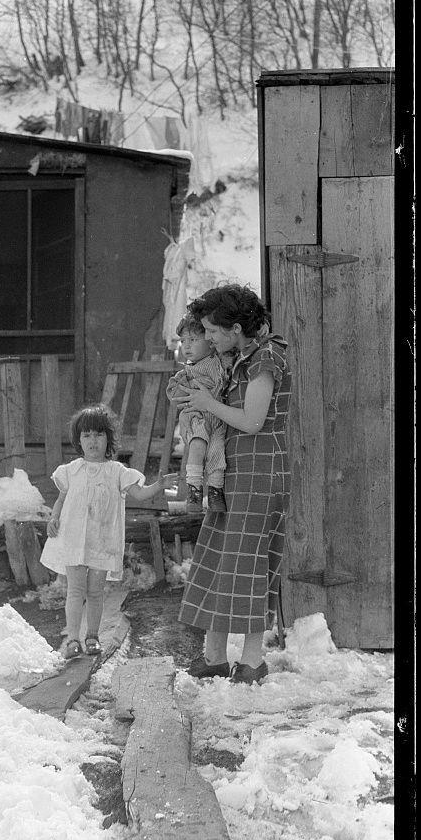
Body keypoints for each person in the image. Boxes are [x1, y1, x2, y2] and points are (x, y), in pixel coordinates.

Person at [171, 284, 291, 685]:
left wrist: (207, 405)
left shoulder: (267, 357)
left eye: (215, 331)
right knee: (221, 555)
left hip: (261, 472)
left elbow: (254, 420)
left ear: (236, 327)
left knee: (249, 561)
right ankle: (215, 656)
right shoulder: (237, 356)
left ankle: (253, 661)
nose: (209, 339)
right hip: (235, 470)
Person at [41, 403, 165, 658]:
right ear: (79, 440)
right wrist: (53, 517)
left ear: (108, 438)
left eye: (98, 434)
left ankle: (93, 637)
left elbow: (140, 494)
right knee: (75, 591)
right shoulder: (71, 470)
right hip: (74, 540)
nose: (92, 441)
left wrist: (158, 486)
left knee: (95, 591)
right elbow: (62, 498)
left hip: (101, 541)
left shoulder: (117, 472)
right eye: (86, 435)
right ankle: (73, 639)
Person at [166, 312, 228, 514]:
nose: (187, 346)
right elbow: (175, 395)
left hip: (217, 417)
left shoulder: (218, 361)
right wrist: (181, 389)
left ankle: (215, 492)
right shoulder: (187, 372)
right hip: (197, 417)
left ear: (210, 342)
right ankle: (194, 489)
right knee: (198, 445)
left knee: (218, 452)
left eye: (193, 340)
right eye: (183, 341)